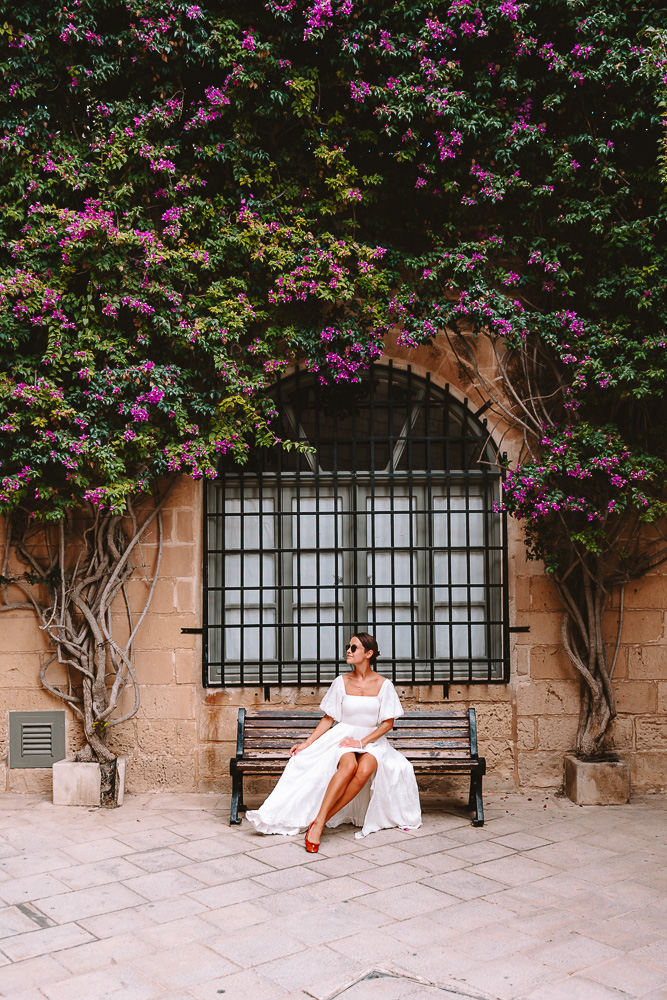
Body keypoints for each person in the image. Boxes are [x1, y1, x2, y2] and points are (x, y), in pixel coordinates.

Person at [245, 632, 422, 849]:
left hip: (371, 741)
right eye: (348, 646)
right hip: (343, 737)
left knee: (365, 770)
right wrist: (307, 743)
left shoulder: (384, 684)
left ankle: (321, 819)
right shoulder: (341, 682)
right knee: (348, 767)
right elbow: (329, 718)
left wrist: (361, 743)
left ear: (368, 654)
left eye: (354, 648)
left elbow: (387, 724)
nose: (348, 650)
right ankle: (319, 823)